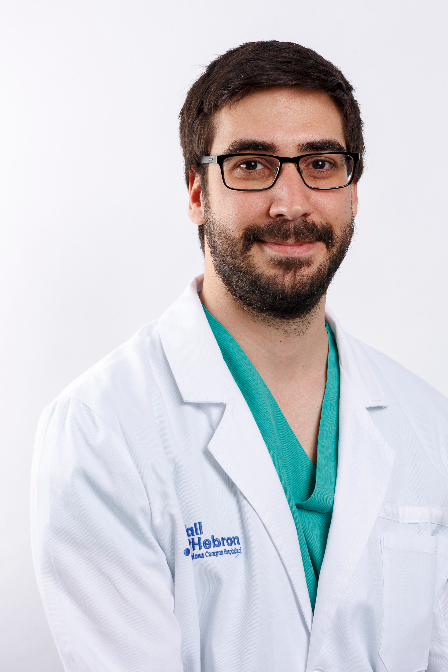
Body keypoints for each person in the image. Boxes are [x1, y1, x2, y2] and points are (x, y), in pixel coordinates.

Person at [31, 41, 448, 672]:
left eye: (321, 164)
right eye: (252, 165)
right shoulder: (101, 431)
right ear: (196, 192)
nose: (291, 203)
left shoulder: (429, 427)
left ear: (353, 191)